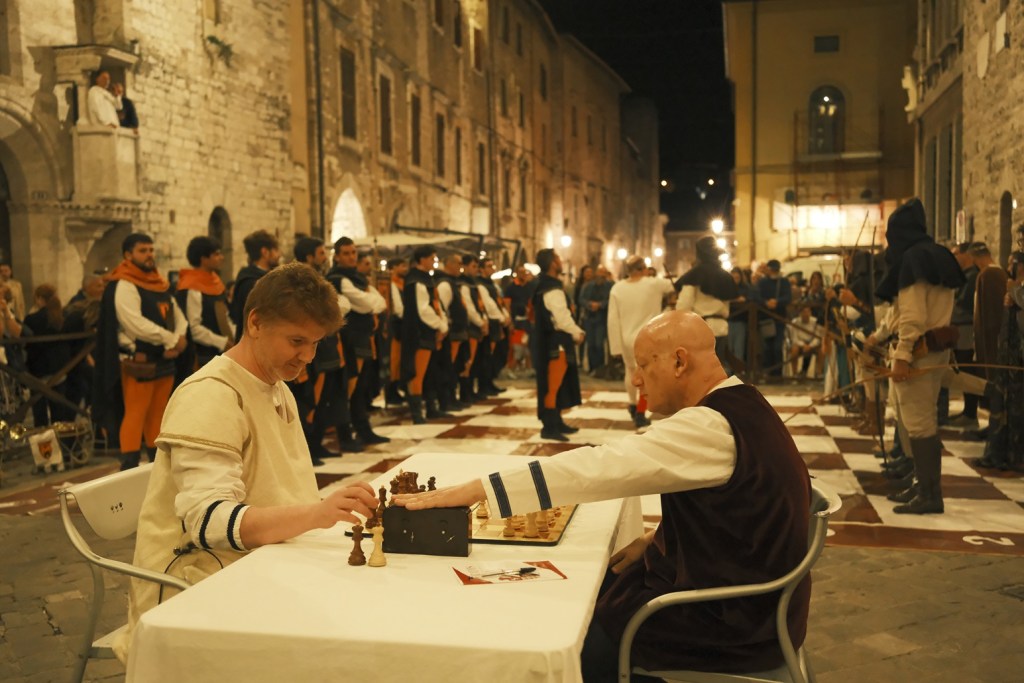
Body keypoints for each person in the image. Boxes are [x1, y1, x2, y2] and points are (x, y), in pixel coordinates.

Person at [394, 310, 812, 679]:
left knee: (569, 636)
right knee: (599, 583)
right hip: (755, 601)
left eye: (642, 365)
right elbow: (741, 507)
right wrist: (656, 538)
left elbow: (597, 467)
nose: (635, 379)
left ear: (679, 361)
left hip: (732, 622)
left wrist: (477, 491)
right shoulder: (740, 403)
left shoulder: (709, 427)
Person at [114, 262, 379, 662]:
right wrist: (317, 513)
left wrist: (324, 511)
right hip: (196, 585)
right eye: (296, 341)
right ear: (255, 323)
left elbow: (280, 488)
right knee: (348, 641)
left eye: (315, 343)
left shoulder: (275, 383)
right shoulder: (212, 394)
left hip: (263, 560)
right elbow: (209, 524)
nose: (307, 356)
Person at [875, 199, 964, 514]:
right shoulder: (939, 254)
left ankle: (929, 495)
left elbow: (912, 317)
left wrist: (901, 355)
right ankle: (922, 487)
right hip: (937, 350)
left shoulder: (913, 259)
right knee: (923, 420)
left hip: (919, 353)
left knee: (919, 423)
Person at [95, 233, 188, 470]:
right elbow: (133, 323)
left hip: (164, 358)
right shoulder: (124, 283)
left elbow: (177, 315)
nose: (149, 255)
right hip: (141, 360)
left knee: (158, 414)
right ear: (128, 255)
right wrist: (170, 340)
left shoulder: (158, 283)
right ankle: (130, 466)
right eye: (143, 251)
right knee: (136, 413)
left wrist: (178, 337)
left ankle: (156, 467)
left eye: (151, 250)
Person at [328, 237, 388, 444]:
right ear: (336, 256)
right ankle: (345, 435)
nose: (352, 257)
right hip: (350, 339)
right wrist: (370, 303)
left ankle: (363, 429)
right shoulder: (338, 278)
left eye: (353, 252)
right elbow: (364, 304)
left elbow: (380, 302)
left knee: (361, 386)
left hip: (364, 337)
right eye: (346, 253)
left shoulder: (358, 278)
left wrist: (371, 304)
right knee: (349, 388)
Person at [608, 254, 674, 428]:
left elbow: (613, 319)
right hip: (647, 336)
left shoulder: (617, 288)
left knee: (630, 372)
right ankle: (640, 411)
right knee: (647, 376)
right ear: (642, 269)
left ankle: (632, 404)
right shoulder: (652, 283)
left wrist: (615, 345)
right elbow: (675, 285)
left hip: (626, 338)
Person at [976, 250, 1024, 470]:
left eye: (1012, 264)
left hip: (1019, 360)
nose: (1009, 268)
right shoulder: (1014, 287)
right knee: (1002, 403)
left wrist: (1015, 293)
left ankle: (1016, 455)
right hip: (1008, 358)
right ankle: (998, 451)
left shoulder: (1015, 289)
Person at [532, 249, 585, 441]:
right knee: (552, 386)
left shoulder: (546, 285)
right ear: (552, 263)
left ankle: (557, 420)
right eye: (557, 258)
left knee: (559, 384)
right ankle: (549, 427)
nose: (560, 261)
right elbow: (561, 317)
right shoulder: (552, 289)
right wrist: (577, 332)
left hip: (553, 342)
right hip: (556, 343)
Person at [675, 236, 738, 371]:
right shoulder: (725, 276)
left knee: (699, 370)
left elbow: (684, 306)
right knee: (717, 369)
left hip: (699, 329)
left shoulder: (695, 275)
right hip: (721, 327)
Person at [401, 245, 448, 424]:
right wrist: (440, 325)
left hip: (429, 332)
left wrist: (442, 325)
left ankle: (430, 407)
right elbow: (423, 309)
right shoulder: (416, 280)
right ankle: (417, 413)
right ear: (422, 260)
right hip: (419, 333)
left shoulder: (424, 278)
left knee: (429, 372)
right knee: (417, 373)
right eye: (431, 258)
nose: (434, 262)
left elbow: (435, 304)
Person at [175, 236, 234, 372]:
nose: (221, 257)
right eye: (216, 254)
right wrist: (222, 342)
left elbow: (225, 316)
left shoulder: (215, 281)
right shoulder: (191, 286)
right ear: (203, 259)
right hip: (201, 357)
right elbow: (194, 328)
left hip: (222, 353)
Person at [22, 284, 74, 427]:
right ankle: (62, 443)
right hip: (61, 370)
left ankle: (44, 445)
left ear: (39, 299)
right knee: (59, 411)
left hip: (38, 371)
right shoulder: (66, 317)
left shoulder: (32, 319)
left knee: (40, 414)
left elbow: (26, 343)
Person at [229, 230, 280, 341]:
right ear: (265, 252)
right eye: (275, 250)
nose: (279, 255)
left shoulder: (269, 276)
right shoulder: (249, 281)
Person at [756, 259, 792, 378]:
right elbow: (756, 297)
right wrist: (766, 303)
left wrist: (777, 302)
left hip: (779, 319)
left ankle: (777, 374)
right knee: (767, 348)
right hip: (766, 319)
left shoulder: (784, 282)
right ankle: (769, 372)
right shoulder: (762, 282)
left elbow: (788, 297)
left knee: (777, 347)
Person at [579, 265, 612, 374]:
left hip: (601, 319)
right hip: (590, 318)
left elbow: (611, 300)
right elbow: (582, 299)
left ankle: (600, 368)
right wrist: (590, 305)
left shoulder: (610, 286)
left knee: (599, 344)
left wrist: (600, 305)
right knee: (591, 344)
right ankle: (592, 367)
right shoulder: (588, 286)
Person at [385, 258, 408, 405]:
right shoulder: (391, 284)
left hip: (401, 327)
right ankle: (391, 392)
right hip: (395, 326)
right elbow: (397, 308)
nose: (405, 268)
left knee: (398, 361)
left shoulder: (402, 284)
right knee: (393, 361)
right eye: (402, 265)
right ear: (393, 268)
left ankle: (396, 390)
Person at [787, 305, 822, 378]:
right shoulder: (795, 322)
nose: (805, 314)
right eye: (803, 312)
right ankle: (795, 374)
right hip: (800, 344)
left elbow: (818, 337)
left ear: (810, 312)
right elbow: (794, 338)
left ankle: (819, 373)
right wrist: (803, 345)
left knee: (821, 350)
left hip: (812, 344)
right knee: (794, 350)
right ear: (800, 313)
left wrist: (810, 346)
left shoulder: (815, 321)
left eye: (807, 312)